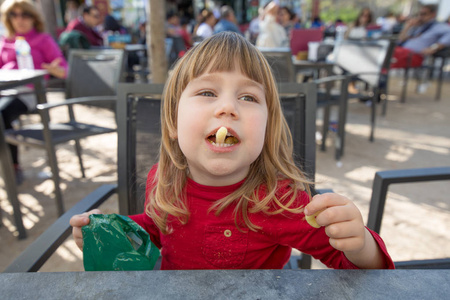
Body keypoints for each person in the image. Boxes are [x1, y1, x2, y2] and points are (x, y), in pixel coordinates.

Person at [71, 32, 394, 270]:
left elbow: (360, 270)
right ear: (173, 121)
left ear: (267, 129)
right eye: (208, 92)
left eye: (249, 98)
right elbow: (161, 228)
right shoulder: (163, 179)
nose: (227, 108)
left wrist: (360, 244)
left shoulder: (278, 201)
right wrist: (119, 229)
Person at [0, 0, 68, 184]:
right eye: (14, 14)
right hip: (3, 90)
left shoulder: (42, 39)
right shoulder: (5, 41)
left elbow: (63, 69)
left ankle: (12, 166)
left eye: (25, 14)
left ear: (33, 17)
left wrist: (56, 70)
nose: (19, 19)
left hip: (27, 92)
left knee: (2, 114)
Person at [392, 4, 450, 68]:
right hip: (401, 51)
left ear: (433, 14)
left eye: (424, 14)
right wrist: (407, 26)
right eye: (419, 14)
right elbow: (401, 40)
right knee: (387, 52)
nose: (420, 17)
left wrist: (433, 47)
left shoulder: (440, 27)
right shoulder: (418, 26)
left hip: (414, 55)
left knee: (387, 55)